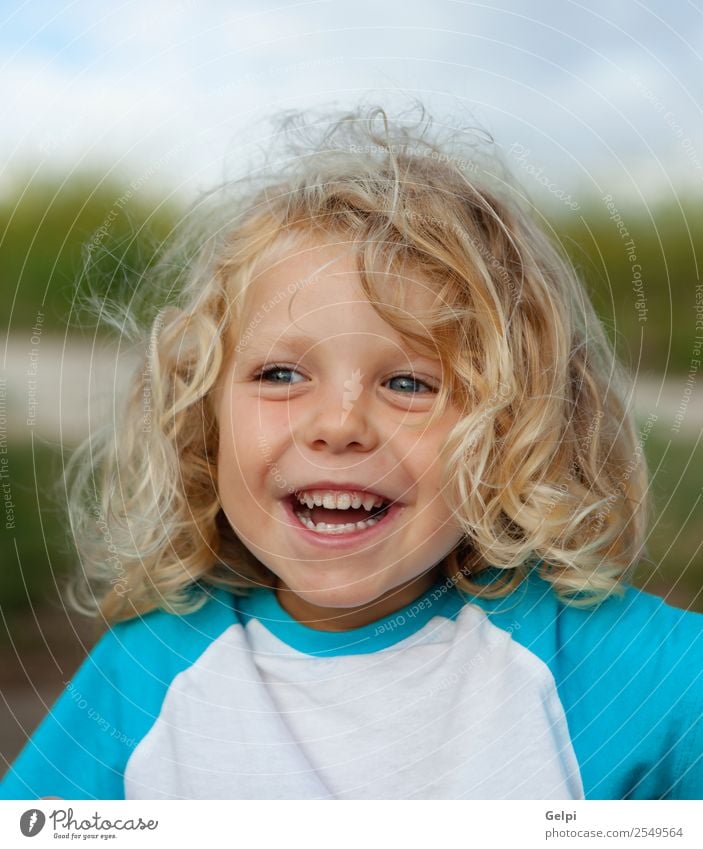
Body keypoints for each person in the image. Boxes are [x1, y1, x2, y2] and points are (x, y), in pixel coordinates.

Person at [1, 103, 701, 801]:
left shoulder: (621, 671)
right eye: (280, 375)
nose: (337, 425)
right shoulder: (144, 673)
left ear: (516, 425)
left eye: (407, 382)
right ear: (201, 416)